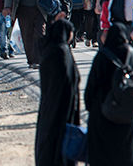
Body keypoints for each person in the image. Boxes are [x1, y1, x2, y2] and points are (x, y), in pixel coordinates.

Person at [85, 22, 133, 166]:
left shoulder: (102, 56)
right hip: (125, 113)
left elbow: (91, 87)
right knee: (125, 151)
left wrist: (91, 108)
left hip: (103, 112)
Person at [35, 20, 80, 166]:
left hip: (49, 106)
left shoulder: (48, 50)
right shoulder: (61, 52)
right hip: (63, 107)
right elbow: (69, 79)